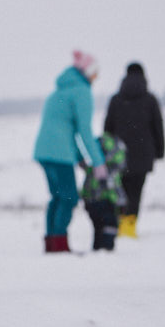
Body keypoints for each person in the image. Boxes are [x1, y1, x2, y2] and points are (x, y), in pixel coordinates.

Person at [33, 50, 107, 253]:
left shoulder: (59, 91)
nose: (95, 77)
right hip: (59, 154)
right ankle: (59, 244)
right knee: (68, 198)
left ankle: (51, 242)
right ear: (86, 72)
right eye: (94, 72)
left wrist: (79, 156)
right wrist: (98, 161)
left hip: (44, 152)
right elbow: (84, 130)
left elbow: (65, 129)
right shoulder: (81, 92)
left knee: (57, 197)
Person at [104, 62, 165, 238]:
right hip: (144, 154)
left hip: (119, 155)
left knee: (120, 190)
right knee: (136, 192)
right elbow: (158, 127)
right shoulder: (150, 100)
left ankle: (119, 223)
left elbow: (107, 128)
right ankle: (129, 227)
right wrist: (160, 152)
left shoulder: (116, 100)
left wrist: (107, 152)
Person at [80, 133, 127, 251]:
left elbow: (86, 187)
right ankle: (106, 248)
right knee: (109, 225)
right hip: (106, 203)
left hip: (91, 203)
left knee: (98, 227)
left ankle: (97, 247)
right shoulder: (110, 172)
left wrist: (85, 198)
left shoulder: (93, 170)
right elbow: (115, 189)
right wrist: (122, 202)